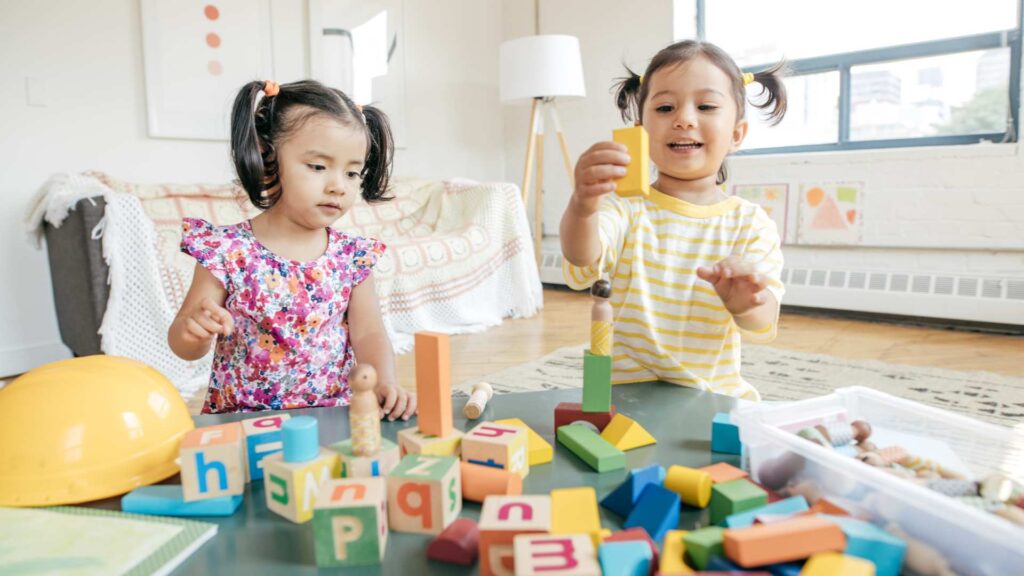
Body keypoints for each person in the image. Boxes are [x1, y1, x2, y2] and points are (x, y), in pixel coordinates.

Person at [169, 79, 416, 419]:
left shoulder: (352, 258)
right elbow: (183, 345)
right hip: (244, 421)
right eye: (318, 167)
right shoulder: (225, 251)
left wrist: (384, 382)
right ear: (266, 156)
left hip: (331, 417)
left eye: (352, 173)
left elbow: (369, 332)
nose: (338, 186)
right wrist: (193, 332)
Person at [560, 40, 788, 400]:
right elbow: (581, 257)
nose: (684, 119)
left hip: (712, 397)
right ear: (641, 131)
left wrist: (747, 303)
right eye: (665, 107)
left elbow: (763, 324)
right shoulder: (625, 207)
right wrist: (583, 206)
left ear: (736, 134)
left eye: (706, 106)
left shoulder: (749, 223)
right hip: (624, 396)